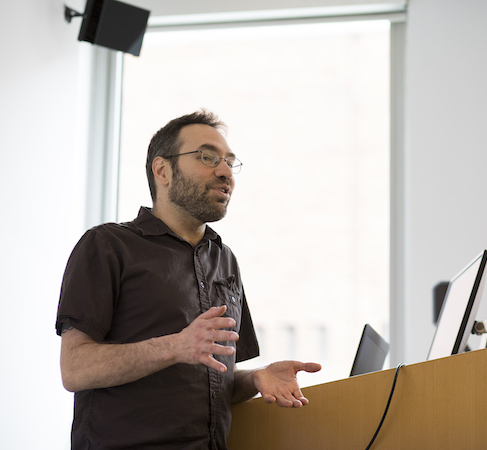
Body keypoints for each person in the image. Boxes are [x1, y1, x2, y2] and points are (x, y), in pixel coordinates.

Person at [56, 110, 321, 449]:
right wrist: (175, 346)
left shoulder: (224, 260)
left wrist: (256, 377)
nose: (225, 171)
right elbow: (75, 369)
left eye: (229, 161)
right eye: (208, 157)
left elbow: (211, 383)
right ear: (163, 171)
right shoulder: (107, 245)